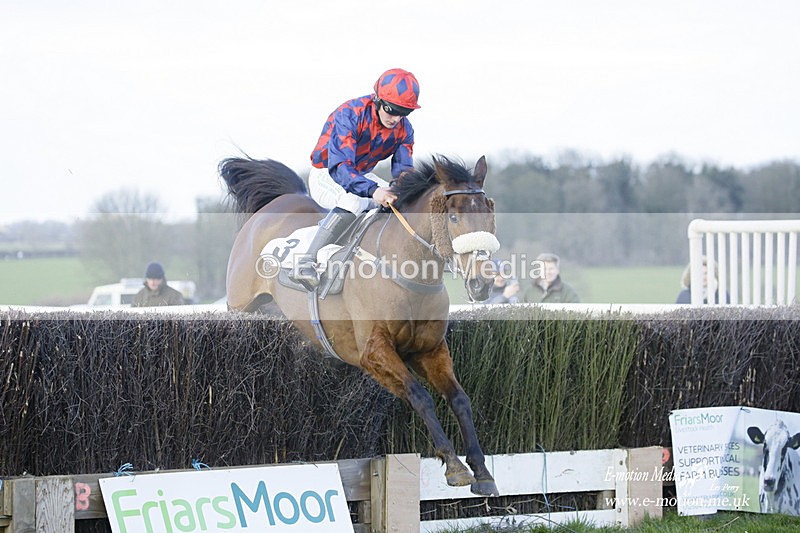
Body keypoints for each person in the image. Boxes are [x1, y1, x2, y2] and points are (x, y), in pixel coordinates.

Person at [291, 68, 421, 288]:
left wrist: (407, 191)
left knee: (398, 199)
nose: (395, 118)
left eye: (403, 112)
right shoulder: (350, 114)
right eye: (391, 110)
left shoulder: (404, 130)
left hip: (360, 175)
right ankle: (306, 261)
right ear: (378, 100)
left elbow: (403, 172)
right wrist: (374, 191)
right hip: (327, 173)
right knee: (354, 200)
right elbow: (340, 167)